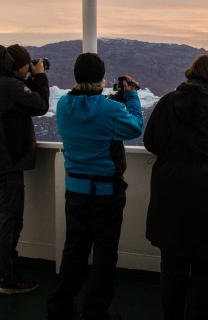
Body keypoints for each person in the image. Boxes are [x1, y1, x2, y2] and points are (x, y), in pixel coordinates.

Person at [143, 53, 208, 320]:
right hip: (205, 195)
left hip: (168, 191)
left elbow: (150, 142)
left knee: (171, 264)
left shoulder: (168, 101)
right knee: (204, 267)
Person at [47, 53, 144, 320]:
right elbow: (135, 126)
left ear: (77, 75)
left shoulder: (64, 104)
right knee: (104, 253)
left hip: (76, 190)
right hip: (105, 193)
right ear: (102, 77)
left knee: (74, 249)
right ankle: (95, 312)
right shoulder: (110, 110)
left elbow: (89, 109)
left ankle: (60, 307)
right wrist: (132, 96)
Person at [0, 44, 49, 295]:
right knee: (10, 221)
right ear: (19, 66)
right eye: (27, 65)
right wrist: (39, 76)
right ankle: (9, 279)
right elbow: (40, 105)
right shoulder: (10, 86)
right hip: (8, 162)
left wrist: (31, 75)